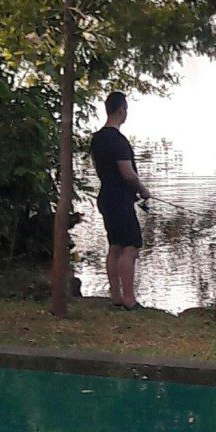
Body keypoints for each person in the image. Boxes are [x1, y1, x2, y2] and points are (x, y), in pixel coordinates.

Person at [90, 91, 150, 310]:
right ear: (121, 110)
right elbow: (127, 173)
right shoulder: (119, 141)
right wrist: (142, 189)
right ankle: (129, 299)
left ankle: (116, 296)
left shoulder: (97, 139)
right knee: (131, 247)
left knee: (115, 246)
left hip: (106, 197)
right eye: (126, 109)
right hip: (120, 200)